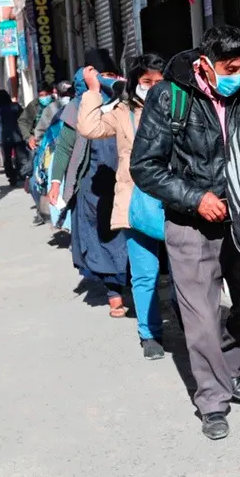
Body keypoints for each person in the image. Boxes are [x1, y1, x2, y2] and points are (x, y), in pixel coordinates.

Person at [131, 26, 240, 441]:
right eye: (230, 68)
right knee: (200, 317)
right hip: (190, 223)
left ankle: (224, 368)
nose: (239, 74)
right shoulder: (169, 96)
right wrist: (195, 198)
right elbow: (145, 167)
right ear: (205, 66)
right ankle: (212, 400)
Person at [78, 54, 169, 360]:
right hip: (138, 203)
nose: (154, 87)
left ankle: (194, 327)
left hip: (177, 200)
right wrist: (93, 89)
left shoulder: (178, 107)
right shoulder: (122, 112)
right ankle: (150, 333)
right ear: (134, 83)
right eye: (147, 82)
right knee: (145, 273)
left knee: (188, 272)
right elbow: (89, 127)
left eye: (159, 81)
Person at [47, 49, 128, 318]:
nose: (105, 81)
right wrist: (56, 182)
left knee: (129, 235)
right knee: (99, 238)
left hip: (126, 181)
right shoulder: (77, 106)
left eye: (108, 76)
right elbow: (64, 148)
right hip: (92, 186)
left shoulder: (125, 101)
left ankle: (134, 284)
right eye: (98, 76)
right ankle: (114, 294)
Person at [0, 90, 27, 186]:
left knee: (7, 158)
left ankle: (11, 176)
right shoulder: (15, 106)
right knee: (20, 156)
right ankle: (21, 173)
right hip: (17, 134)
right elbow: (24, 118)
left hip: (3, 137)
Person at [20, 85, 55, 150]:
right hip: (37, 142)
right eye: (41, 95)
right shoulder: (33, 105)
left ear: (51, 94)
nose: (44, 97)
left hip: (54, 140)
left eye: (46, 95)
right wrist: (29, 137)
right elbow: (22, 121)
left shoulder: (57, 104)